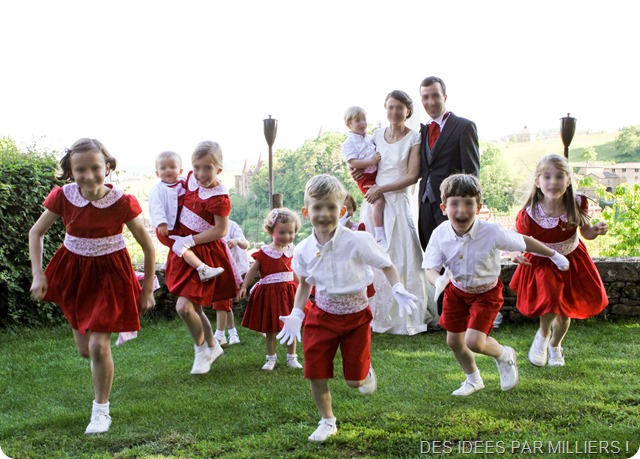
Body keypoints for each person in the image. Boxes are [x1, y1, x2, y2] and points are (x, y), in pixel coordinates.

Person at [277, 174, 418, 442]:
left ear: (341, 210)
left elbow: (386, 265)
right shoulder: (304, 249)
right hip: (322, 315)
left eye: (331, 207)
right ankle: (327, 421)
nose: (325, 213)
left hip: (356, 317)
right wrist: (297, 313)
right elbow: (304, 284)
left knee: (355, 382)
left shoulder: (357, 240)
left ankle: (363, 370)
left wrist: (397, 288)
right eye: (318, 207)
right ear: (307, 212)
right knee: (316, 372)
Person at [28, 138, 156, 434]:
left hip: (111, 275)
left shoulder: (122, 202)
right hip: (74, 274)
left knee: (99, 346)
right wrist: (38, 274)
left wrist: (147, 288)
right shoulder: (63, 196)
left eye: (95, 167)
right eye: (80, 169)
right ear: (71, 172)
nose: (88, 175)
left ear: (108, 167)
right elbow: (36, 233)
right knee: (86, 350)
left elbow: (148, 248)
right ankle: (99, 367)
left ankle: (101, 412)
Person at [423, 174, 570, 396]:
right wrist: (439, 281)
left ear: (478, 206)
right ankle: (473, 380)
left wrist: (553, 255)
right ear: (444, 207)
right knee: (454, 341)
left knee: (474, 341)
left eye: (468, 203)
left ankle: (504, 355)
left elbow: (524, 241)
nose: (461, 210)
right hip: (456, 291)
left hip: (486, 293)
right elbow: (430, 269)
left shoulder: (491, 231)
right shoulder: (439, 234)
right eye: (454, 203)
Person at [509, 154, 608, 367]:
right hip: (542, 262)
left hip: (572, 258)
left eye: (559, 176)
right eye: (547, 177)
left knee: (563, 313)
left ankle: (555, 345)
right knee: (550, 296)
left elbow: (586, 233)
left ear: (568, 180)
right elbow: (517, 240)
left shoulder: (577, 203)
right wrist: (515, 253)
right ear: (538, 181)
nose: (553, 182)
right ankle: (543, 335)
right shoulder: (530, 214)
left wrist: (596, 231)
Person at [355, 89, 437, 334]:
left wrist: (383, 189)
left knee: (403, 257)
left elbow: (412, 176)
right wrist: (360, 173)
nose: (394, 112)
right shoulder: (377, 135)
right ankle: (375, 314)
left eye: (399, 108)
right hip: (375, 204)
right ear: (386, 109)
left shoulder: (414, 138)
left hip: (398, 202)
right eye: (390, 107)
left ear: (407, 111)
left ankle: (407, 317)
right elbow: (364, 161)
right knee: (373, 256)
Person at [164, 141, 240, 375]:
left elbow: (220, 230)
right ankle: (212, 346)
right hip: (184, 251)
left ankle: (201, 350)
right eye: (196, 167)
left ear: (219, 168)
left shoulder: (219, 196)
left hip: (203, 251)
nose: (200, 173)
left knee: (184, 307)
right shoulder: (189, 180)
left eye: (207, 168)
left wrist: (191, 241)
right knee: (193, 308)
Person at [418, 76, 480, 249]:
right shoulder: (422, 131)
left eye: (435, 96)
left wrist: (467, 208)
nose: (430, 101)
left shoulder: (463, 127)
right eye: (425, 97)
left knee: (456, 256)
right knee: (432, 258)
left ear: (444, 97)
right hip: (426, 206)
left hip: (453, 206)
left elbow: (471, 173)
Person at [239, 208, 304, 370]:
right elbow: (253, 270)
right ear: (271, 231)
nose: (287, 236)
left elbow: (295, 272)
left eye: (291, 232)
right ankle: (271, 358)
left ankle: (292, 357)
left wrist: (302, 287)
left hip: (289, 293)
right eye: (282, 232)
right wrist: (244, 286)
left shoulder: (293, 251)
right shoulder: (265, 252)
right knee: (271, 328)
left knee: (292, 325)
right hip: (270, 295)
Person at [148, 150, 223, 282]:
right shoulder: (158, 190)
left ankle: (168, 264)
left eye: (172, 167)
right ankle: (202, 269)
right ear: (157, 173)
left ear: (181, 170)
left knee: (181, 245)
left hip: (179, 227)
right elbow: (156, 207)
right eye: (163, 168)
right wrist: (161, 223)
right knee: (182, 246)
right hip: (166, 229)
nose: (168, 170)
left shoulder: (184, 183)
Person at [341, 106, 385, 244]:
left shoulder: (371, 138)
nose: (362, 123)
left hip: (377, 174)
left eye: (364, 120)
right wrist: (371, 162)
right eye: (358, 121)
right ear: (349, 124)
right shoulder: (348, 143)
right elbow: (353, 162)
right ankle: (379, 233)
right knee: (378, 201)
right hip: (365, 177)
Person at [212, 219, 250, 346]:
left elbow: (245, 244)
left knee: (221, 301)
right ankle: (233, 334)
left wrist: (236, 241)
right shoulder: (207, 225)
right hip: (217, 268)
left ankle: (220, 335)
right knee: (225, 302)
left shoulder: (232, 225)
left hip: (233, 270)